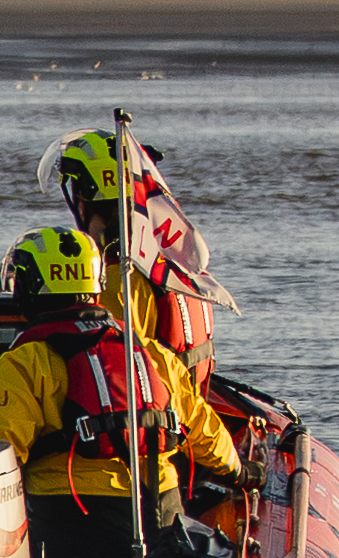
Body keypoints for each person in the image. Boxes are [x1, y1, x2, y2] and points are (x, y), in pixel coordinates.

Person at [0, 222, 237, 558]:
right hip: (161, 508)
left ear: (30, 287)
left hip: (75, 516)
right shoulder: (148, 352)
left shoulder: (25, 361)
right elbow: (203, 428)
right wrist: (241, 472)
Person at [47, 124, 222, 381]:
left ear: (82, 202)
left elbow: (112, 366)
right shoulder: (174, 260)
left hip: (145, 410)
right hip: (183, 400)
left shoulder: (121, 278)